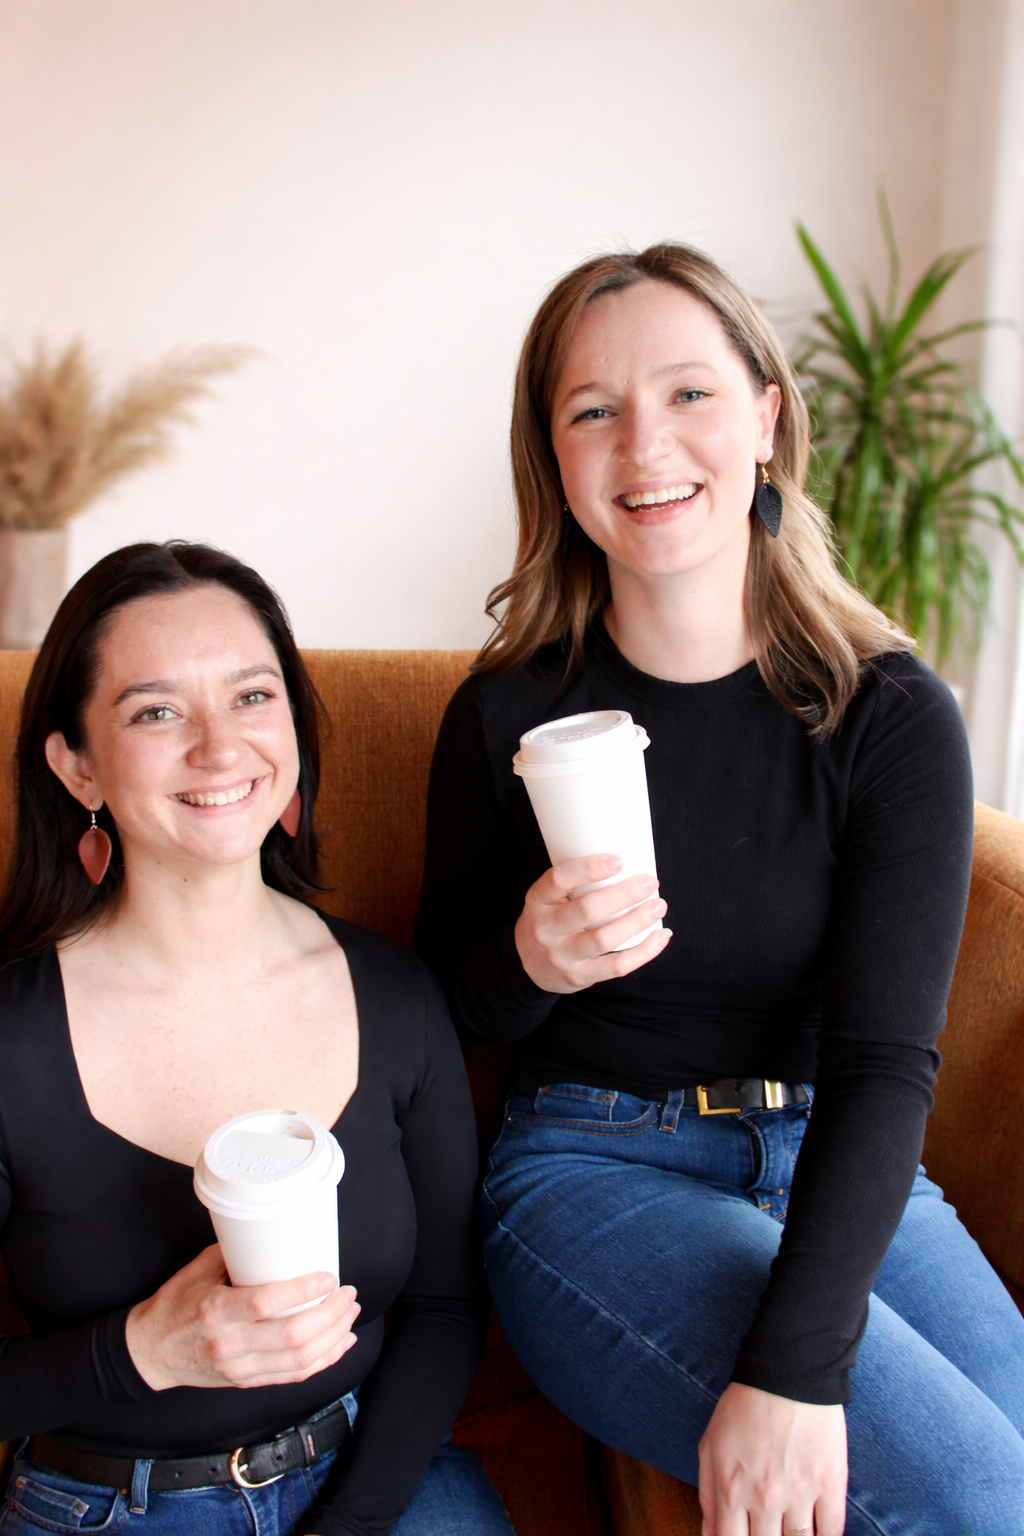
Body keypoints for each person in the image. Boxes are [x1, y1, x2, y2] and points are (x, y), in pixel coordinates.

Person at [415, 246, 1024, 1536]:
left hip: (832, 1157)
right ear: (555, 460)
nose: (645, 444)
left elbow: (883, 1068)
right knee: (980, 1499)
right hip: (589, 1169)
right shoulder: (506, 714)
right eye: (593, 410)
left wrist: (793, 1371)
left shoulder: (888, 715)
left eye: (689, 394)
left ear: (764, 415)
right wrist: (527, 960)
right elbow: (434, 1011)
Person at [0, 542, 515, 1536]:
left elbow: (449, 1308)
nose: (220, 746)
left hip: (376, 1480)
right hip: (113, 1503)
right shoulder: (15, 1037)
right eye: (155, 710)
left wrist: (352, 1521)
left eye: (251, 696)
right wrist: (146, 1349)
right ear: (77, 765)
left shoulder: (394, 992)